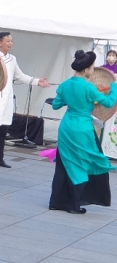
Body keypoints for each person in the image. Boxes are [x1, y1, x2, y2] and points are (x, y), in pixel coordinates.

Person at [49, 50, 117, 214]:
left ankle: (56, 202)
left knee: (63, 164)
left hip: (66, 127)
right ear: (86, 69)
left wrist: (70, 100)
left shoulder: (65, 84)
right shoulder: (89, 88)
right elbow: (108, 103)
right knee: (82, 163)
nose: (93, 69)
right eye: (92, 66)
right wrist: (114, 85)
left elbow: (56, 105)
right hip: (83, 128)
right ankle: (74, 205)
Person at [0, 32, 49, 168]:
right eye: (8, 41)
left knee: (3, 130)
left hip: (7, 98)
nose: (11, 43)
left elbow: (20, 75)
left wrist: (37, 81)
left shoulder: (12, 59)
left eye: (11, 41)